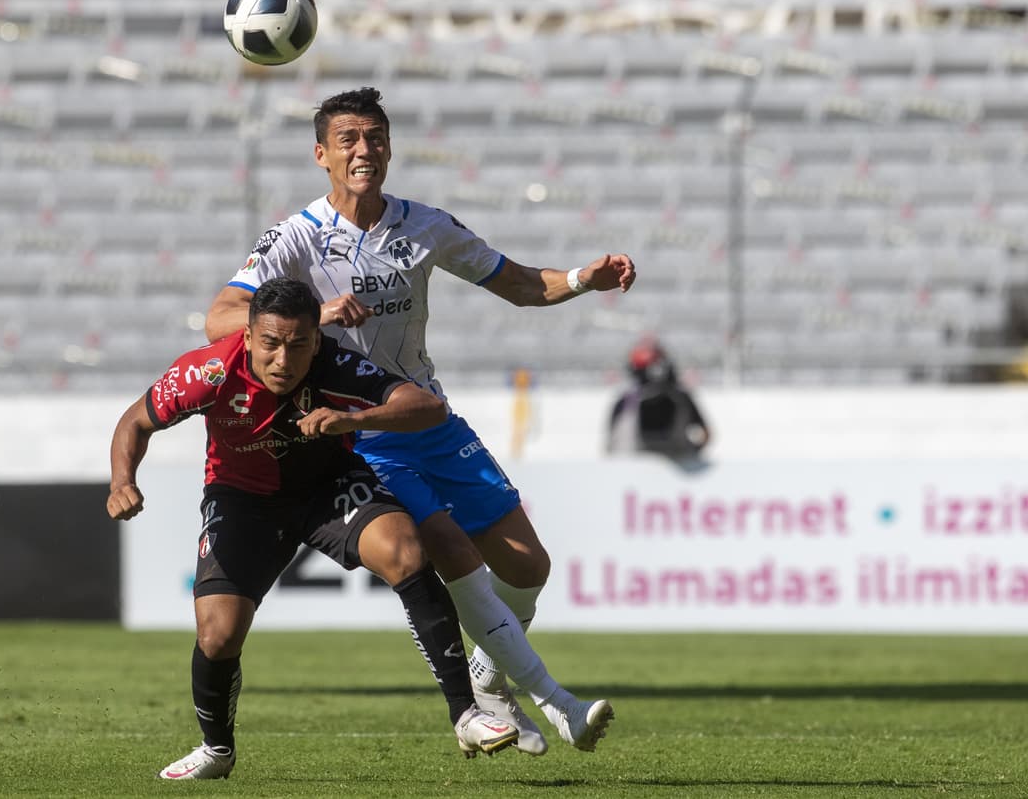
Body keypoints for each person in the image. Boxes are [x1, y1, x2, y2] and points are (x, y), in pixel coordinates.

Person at [204, 87, 636, 755]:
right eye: (347, 139)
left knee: (528, 566)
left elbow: (520, 283)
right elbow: (221, 318)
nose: (363, 149)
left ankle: (492, 684)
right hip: (359, 436)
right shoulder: (296, 237)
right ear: (321, 153)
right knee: (454, 554)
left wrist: (585, 277)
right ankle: (554, 701)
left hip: (427, 416)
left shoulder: (424, 226)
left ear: (389, 147)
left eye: (374, 137)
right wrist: (312, 316)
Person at [107, 278, 518, 781]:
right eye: (271, 344)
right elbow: (134, 421)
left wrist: (353, 419)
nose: (284, 359)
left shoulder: (336, 364)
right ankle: (217, 749)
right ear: (249, 335)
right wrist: (121, 481)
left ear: (316, 339)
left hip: (330, 487)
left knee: (406, 552)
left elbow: (428, 407)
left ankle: (466, 713)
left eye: (299, 345)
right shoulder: (208, 369)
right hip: (243, 501)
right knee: (217, 637)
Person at [606, 337, 710, 461]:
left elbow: (704, 433)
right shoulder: (626, 401)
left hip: (664, 467)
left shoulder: (680, 398)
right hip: (636, 468)